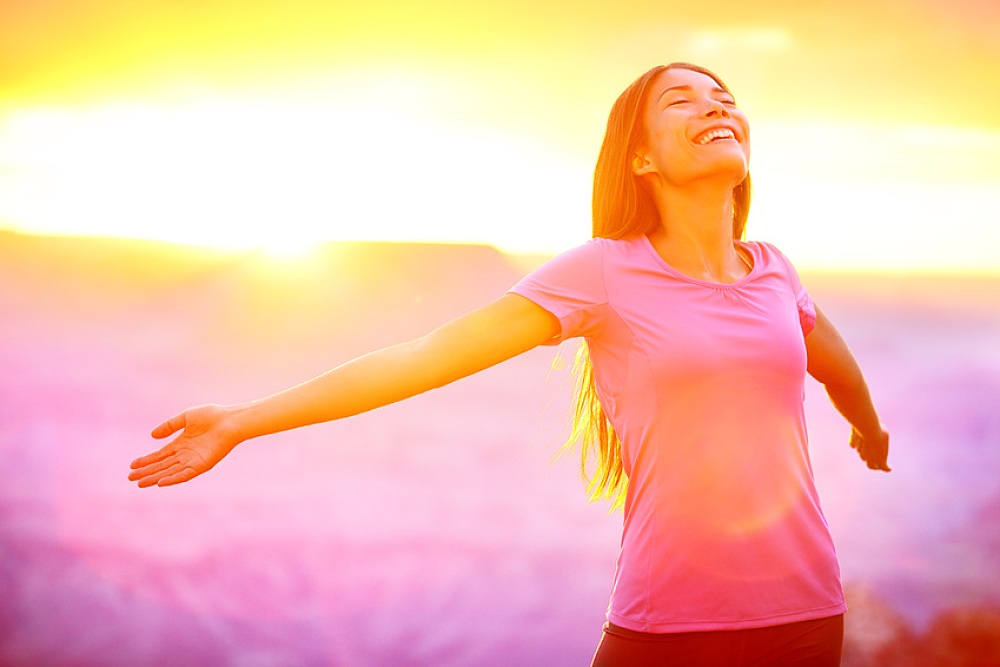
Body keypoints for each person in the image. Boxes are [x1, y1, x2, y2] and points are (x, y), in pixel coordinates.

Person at [129, 62, 891, 666]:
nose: (716, 106)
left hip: (805, 615)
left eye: (724, 96)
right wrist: (241, 420)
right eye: (683, 101)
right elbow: (425, 357)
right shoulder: (602, 271)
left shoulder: (774, 269)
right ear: (640, 157)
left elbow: (830, 358)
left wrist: (869, 426)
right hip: (671, 627)